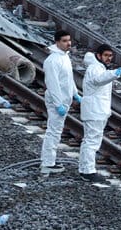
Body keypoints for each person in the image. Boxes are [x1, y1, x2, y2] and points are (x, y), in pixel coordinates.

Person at [78, 44, 121, 183]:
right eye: (106, 55)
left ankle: (85, 169)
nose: (109, 58)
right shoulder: (95, 68)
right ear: (98, 56)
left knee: (91, 140)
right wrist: (113, 74)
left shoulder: (100, 67)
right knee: (91, 141)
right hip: (95, 110)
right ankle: (88, 171)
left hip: (97, 110)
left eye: (110, 56)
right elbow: (98, 80)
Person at [40, 29, 81, 176]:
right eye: (64, 41)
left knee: (56, 131)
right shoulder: (52, 61)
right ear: (57, 42)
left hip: (64, 99)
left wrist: (75, 93)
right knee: (53, 131)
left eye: (69, 40)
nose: (68, 43)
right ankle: (47, 163)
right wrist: (58, 104)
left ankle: (50, 161)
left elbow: (68, 78)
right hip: (57, 100)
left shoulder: (64, 56)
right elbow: (52, 84)